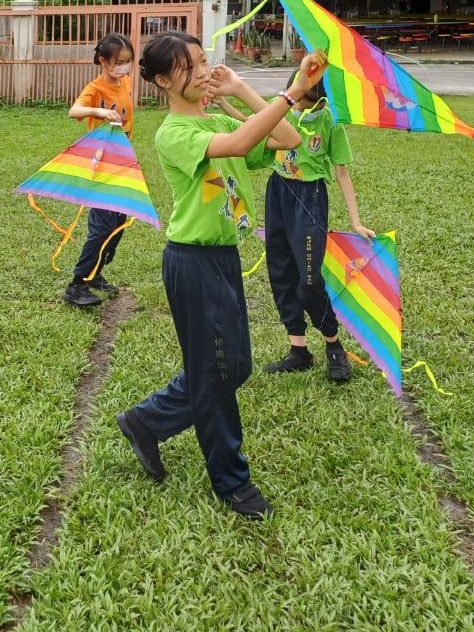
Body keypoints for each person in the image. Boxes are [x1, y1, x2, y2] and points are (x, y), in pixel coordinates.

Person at [113, 31, 325, 520]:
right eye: (190, 65)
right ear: (165, 80)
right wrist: (291, 92)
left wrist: (241, 91)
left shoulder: (212, 115)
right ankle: (232, 481)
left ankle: (145, 421)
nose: (204, 69)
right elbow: (242, 140)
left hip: (223, 258)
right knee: (215, 373)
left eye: (205, 60)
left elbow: (287, 140)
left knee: (234, 368)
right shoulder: (175, 133)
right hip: (193, 262)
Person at [262, 73, 375, 382]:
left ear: (317, 96)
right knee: (281, 271)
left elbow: (341, 173)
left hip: (309, 198)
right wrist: (222, 101)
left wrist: (356, 221)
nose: (296, 101)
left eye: (303, 96)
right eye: (293, 93)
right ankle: (298, 350)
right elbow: (254, 128)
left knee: (309, 278)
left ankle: (333, 346)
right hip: (278, 192)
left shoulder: (330, 121)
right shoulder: (282, 111)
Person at [64, 32, 136, 308]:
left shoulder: (126, 81)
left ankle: (95, 274)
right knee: (102, 226)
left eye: (128, 62)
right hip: (101, 164)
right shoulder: (95, 88)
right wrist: (100, 112)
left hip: (122, 162)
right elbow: (74, 110)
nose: (124, 67)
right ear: (103, 61)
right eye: (119, 62)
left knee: (118, 226)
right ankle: (77, 284)